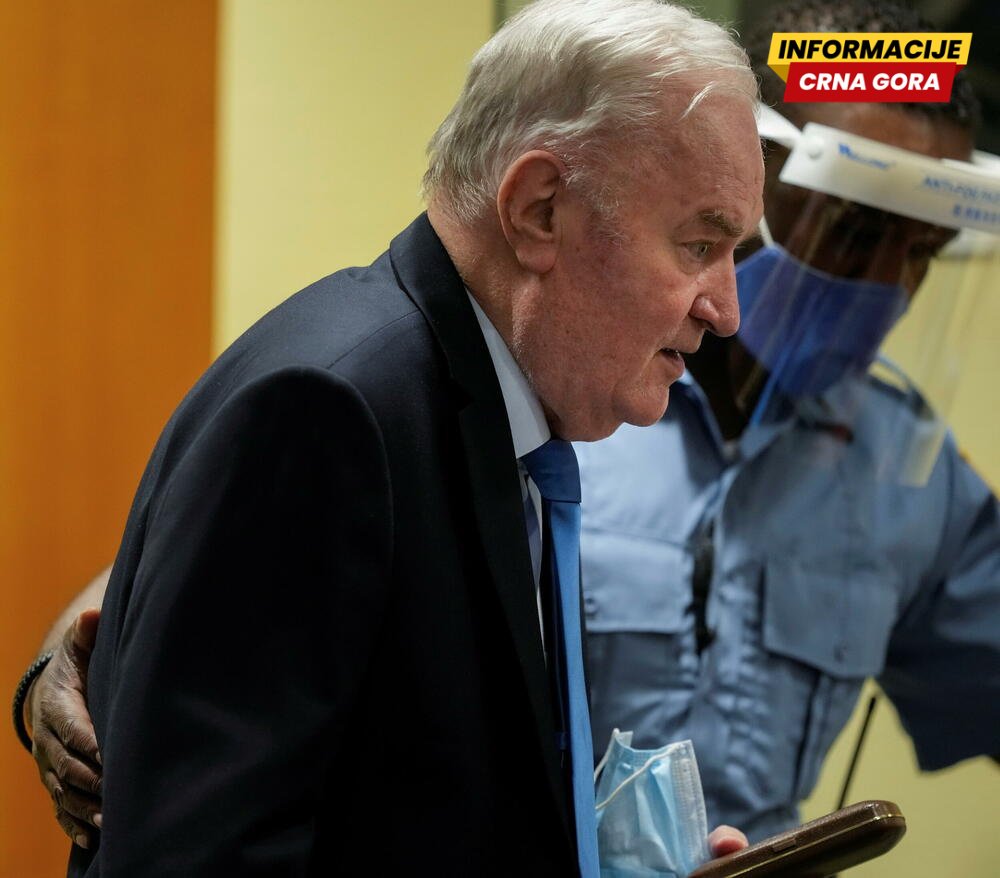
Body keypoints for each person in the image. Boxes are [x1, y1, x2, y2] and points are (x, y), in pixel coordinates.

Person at [12, 1, 764, 874]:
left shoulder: (484, 411)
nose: (727, 310)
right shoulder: (325, 417)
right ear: (539, 209)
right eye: (698, 245)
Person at [578, 0, 1000, 844]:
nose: (889, 288)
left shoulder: (904, 473)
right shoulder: (561, 405)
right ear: (741, 178)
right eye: (856, 230)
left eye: (921, 251)